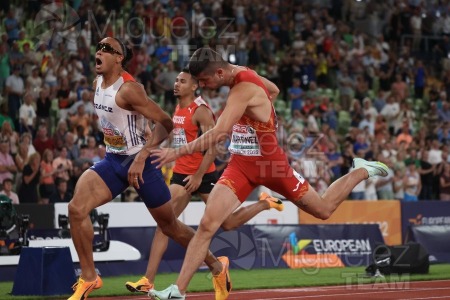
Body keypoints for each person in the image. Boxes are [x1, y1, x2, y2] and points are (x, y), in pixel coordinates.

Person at [149, 48, 390, 300]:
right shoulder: (242, 78)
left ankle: (360, 170)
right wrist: (258, 114)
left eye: (205, 81)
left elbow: (219, 133)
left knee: (324, 209)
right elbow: (273, 91)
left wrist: (175, 153)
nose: (202, 86)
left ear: (219, 72)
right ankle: (178, 291)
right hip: (241, 165)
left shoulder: (243, 87)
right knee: (209, 224)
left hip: (272, 165)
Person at [68, 38, 226, 300]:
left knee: (170, 227)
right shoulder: (97, 84)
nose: (99, 51)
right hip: (113, 161)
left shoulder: (130, 89)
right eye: (99, 47)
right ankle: (88, 277)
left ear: (119, 58)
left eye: (107, 49)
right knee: (76, 209)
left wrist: (142, 155)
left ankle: (217, 266)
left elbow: (166, 122)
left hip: (142, 164)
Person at [125, 68, 283, 296]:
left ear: (194, 86)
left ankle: (264, 203)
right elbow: (179, 136)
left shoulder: (201, 111)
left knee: (227, 224)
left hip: (203, 175)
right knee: (165, 223)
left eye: (182, 81)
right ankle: (148, 280)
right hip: (180, 176)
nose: (177, 84)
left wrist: (199, 175)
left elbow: (214, 144)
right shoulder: (178, 108)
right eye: (176, 80)